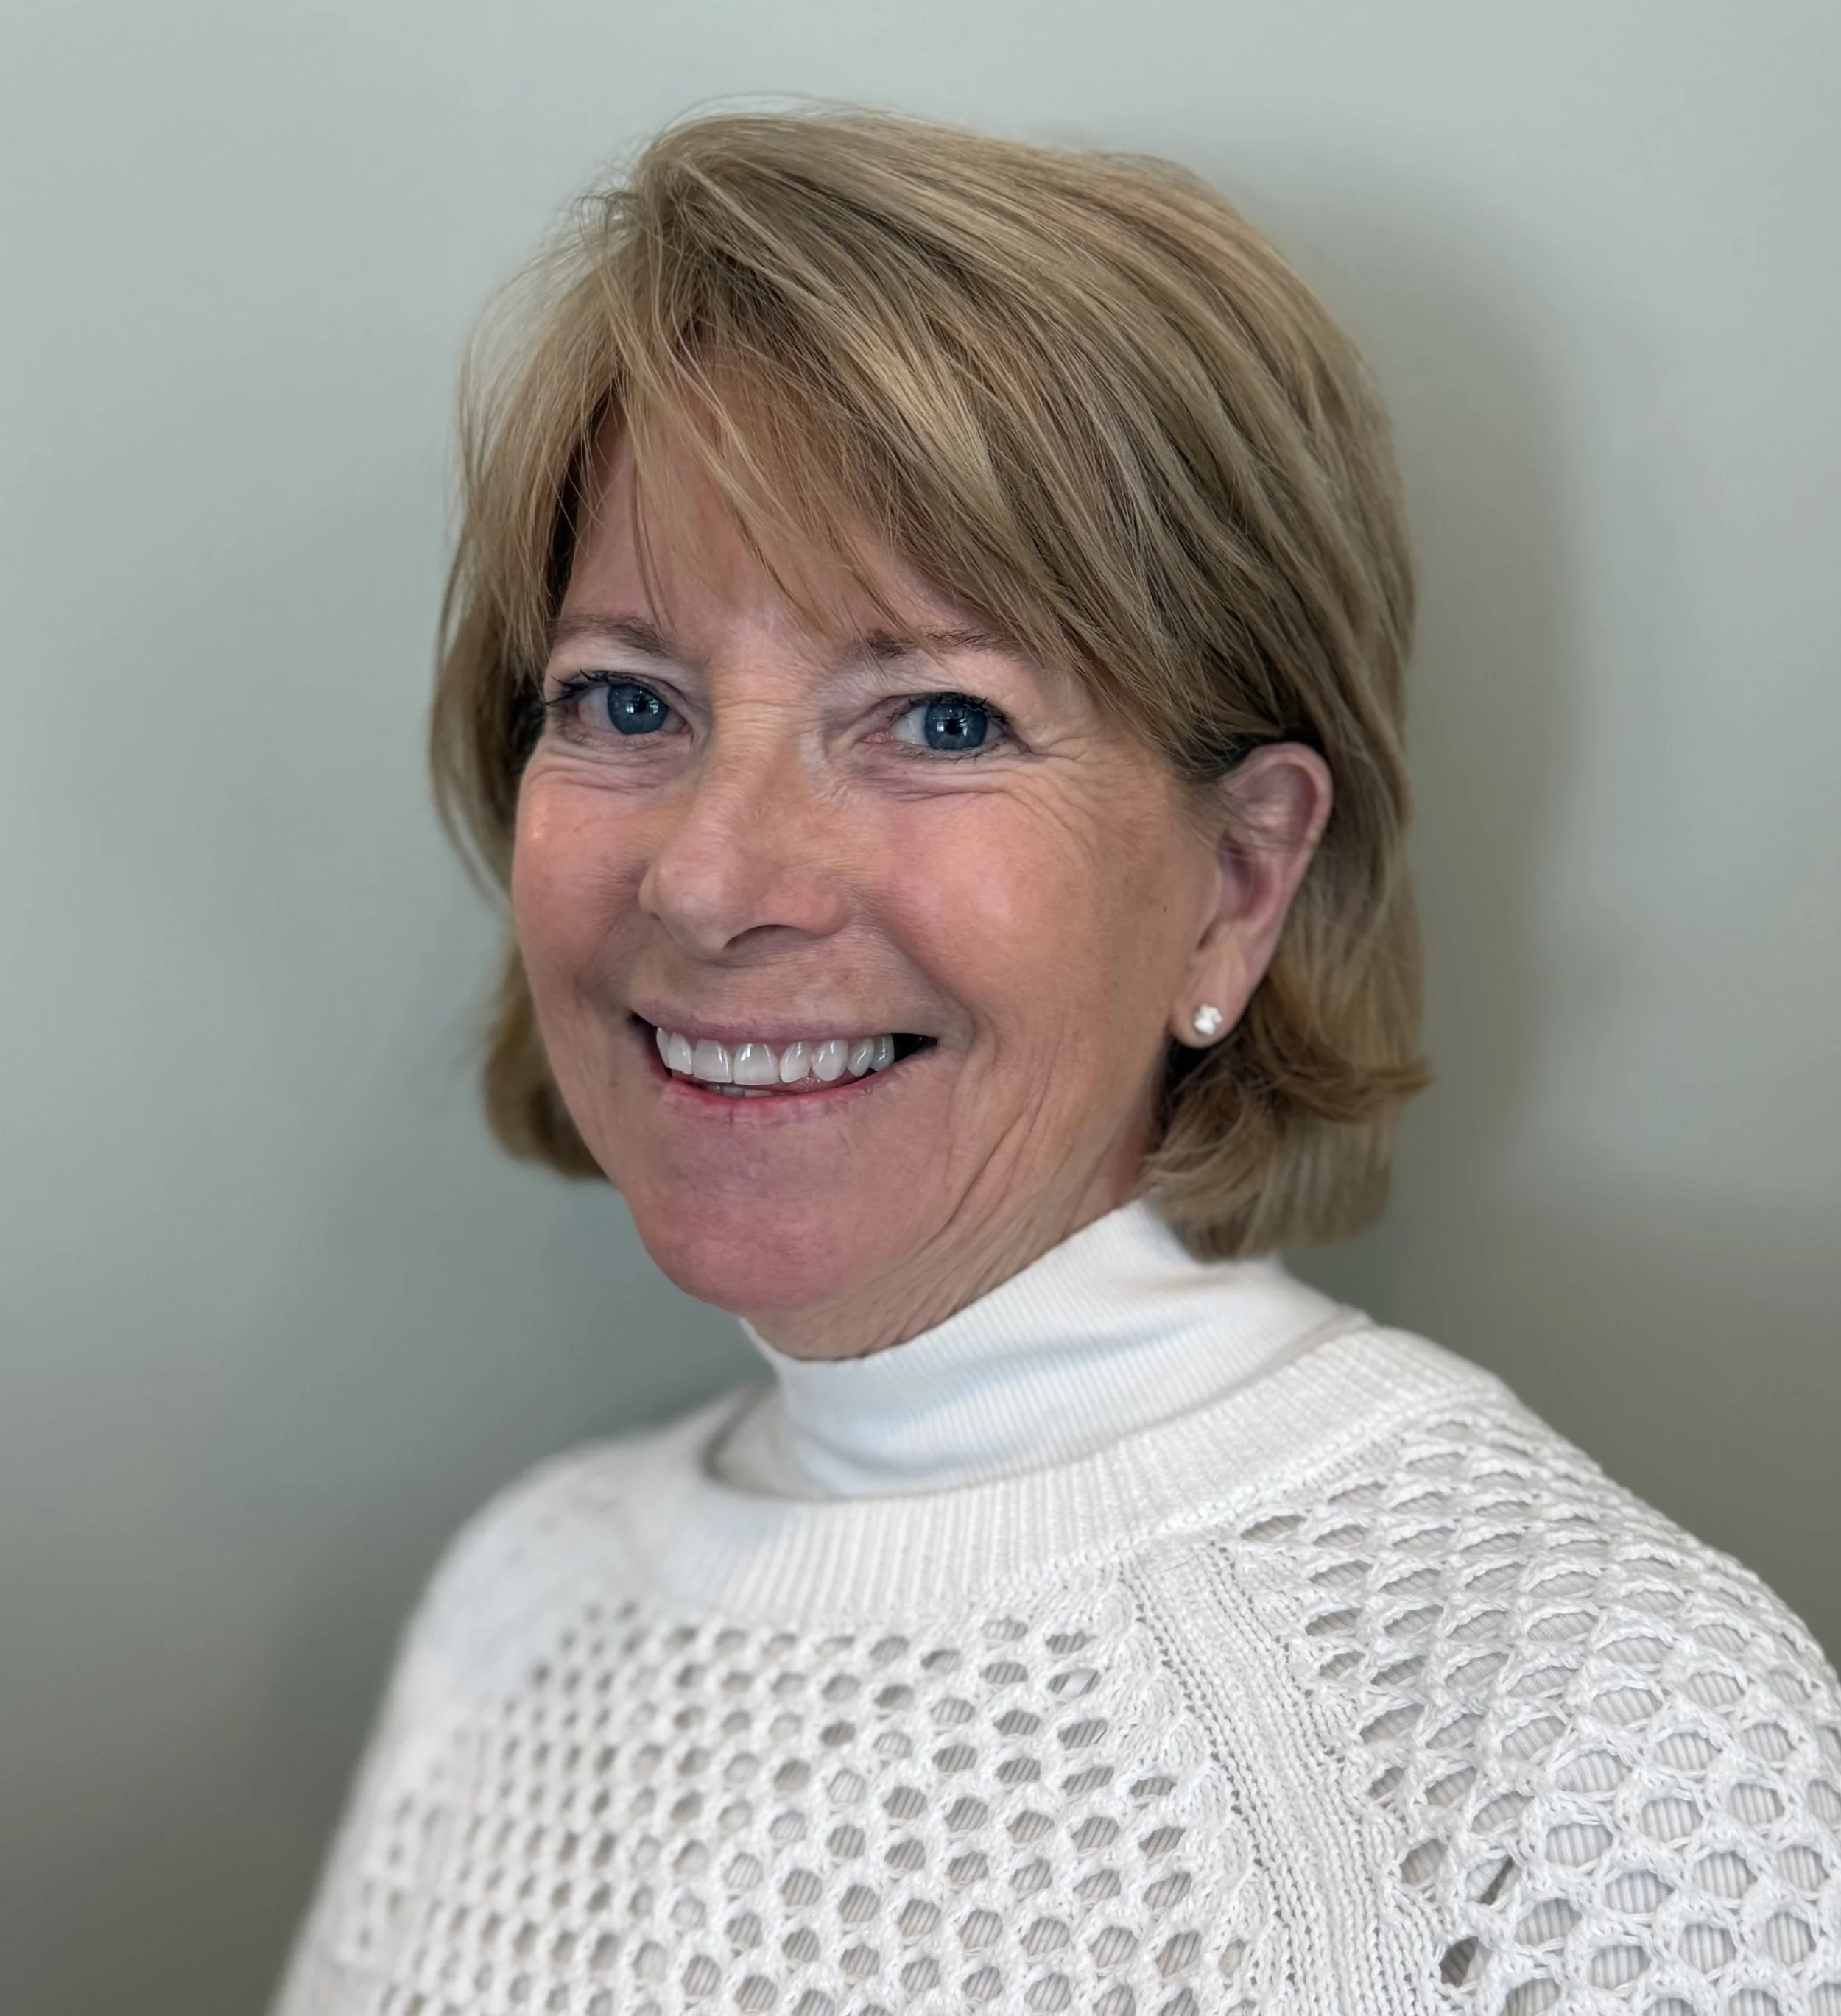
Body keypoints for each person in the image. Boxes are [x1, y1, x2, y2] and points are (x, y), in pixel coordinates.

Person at [274, 108, 1841, 2016]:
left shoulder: (1598, 1730)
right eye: (625, 699)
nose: (708, 879)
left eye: (939, 718)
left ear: (1236, 882)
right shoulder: (518, 1599)